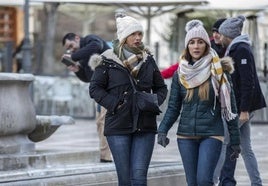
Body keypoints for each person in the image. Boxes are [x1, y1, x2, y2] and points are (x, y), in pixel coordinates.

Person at [157, 19, 241, 186]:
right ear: (187, 46)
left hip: (211, 133)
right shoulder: (180, 73)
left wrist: (236, 141)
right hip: (185, 135)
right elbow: (173, 107)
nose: (196, 46)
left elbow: (230, 108)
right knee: (192, 182)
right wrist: (163, 129)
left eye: (200, 42)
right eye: (192, 42)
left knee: (204, 181)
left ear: (206, 45)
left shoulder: (218, 71)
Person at [89, 12, 168, 185]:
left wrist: (153, 101)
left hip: (145, 125)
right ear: (124, 37)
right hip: (118, 126)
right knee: (125, 180)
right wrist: (115, 104)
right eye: (133, 34)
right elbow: (94, 89)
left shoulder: (148, 60)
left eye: (140, 34)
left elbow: (161, 88)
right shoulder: (107, 60)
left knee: (139, 178)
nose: (138, 37)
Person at [218, 15, 266, 186]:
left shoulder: (241, 50)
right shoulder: (236, 48)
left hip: (243, 108)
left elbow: (248, 81)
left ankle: (210, 181)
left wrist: (244, 110)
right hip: (241, 107)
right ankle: (256, 183)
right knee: (246, 148)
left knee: (222, 141)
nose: (219, 37)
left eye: (221, 34)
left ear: (228, 34)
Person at [62, 33, 113, 163]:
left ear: (77, 38)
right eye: (69, 48)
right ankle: (106, 154)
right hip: (100, 89)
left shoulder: (91, 40)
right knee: (100, 122)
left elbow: (96, 46)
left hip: (110, 85)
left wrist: (73, 56)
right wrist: (77, 69)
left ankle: (106, 155)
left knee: (103, 121)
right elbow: (88, 78)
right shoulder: (83, 56)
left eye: (71, 45)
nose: (71, 49)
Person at [160, 18, 226, 79]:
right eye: (214, 32)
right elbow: (180, 65)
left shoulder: (232, 48)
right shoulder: (206, 45)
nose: (215, 35)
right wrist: (160, 76)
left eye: (218, 32)